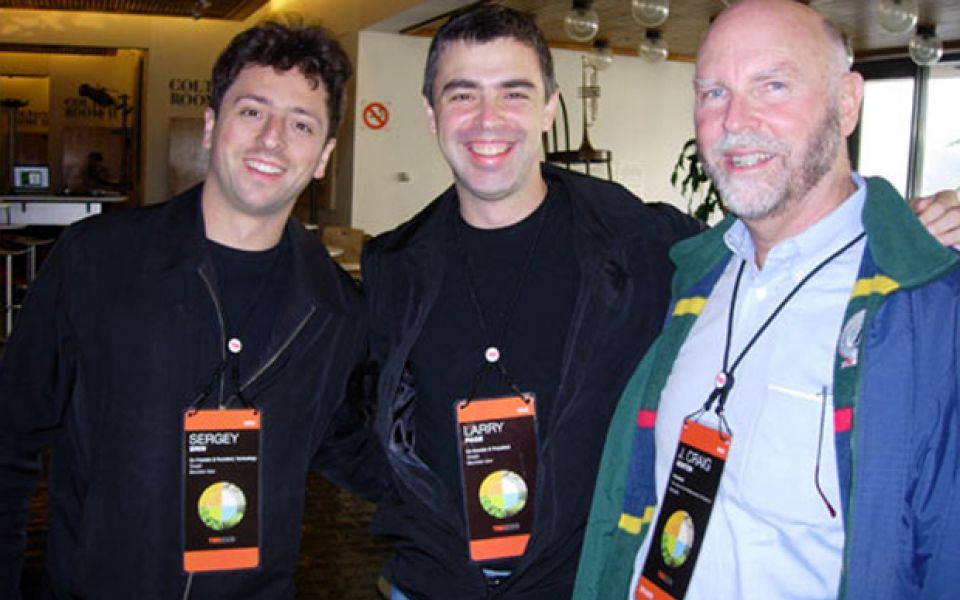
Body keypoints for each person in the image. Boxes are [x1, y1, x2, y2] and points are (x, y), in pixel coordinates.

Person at [574, 1, 960, 599]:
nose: (734, 120)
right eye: (713, 92)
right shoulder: (692, 279)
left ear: (847, 102)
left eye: (772, 85)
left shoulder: (925, 313)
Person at [0, 20, 381, 599]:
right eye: (252, 111)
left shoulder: (336, 311)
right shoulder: (97, 261)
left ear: (325, 156)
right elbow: (11, 437)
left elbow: (338, 437)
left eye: (301, 124)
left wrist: (463, 491)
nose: (273, 139)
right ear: (210, 125)